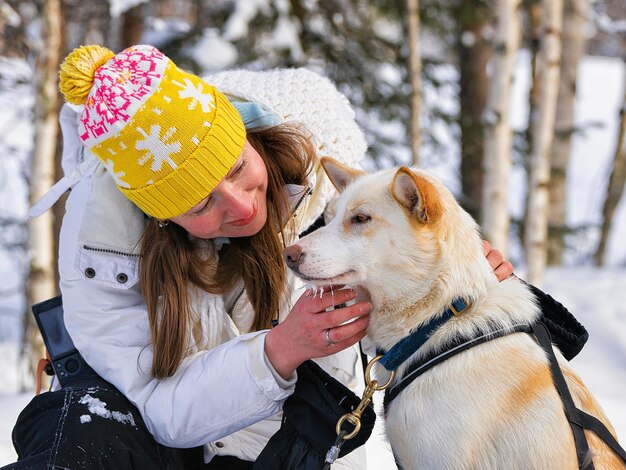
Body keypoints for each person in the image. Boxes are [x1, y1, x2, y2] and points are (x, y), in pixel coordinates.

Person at [4, 44, 586, 470]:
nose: (239, 205)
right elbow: (159, 405)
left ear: (247, 135)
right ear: (161, 217)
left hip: (275, 433)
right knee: (80, 438)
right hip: (135, 433)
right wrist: (281, 348)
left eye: (236, 168)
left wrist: (455, 270)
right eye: (200, 202)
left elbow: (406, 250)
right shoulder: (102, 248)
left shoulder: (325, 180)